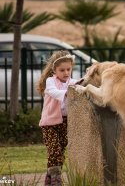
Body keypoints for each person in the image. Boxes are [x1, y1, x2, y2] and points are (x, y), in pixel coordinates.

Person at [37, 50, 77, 186]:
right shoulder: (50, 81)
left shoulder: (73, 82)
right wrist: (69, 92)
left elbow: (82, 87)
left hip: (66, 123)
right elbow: (54, 92)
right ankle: (56, 180)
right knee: (54, 150)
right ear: (54, 70)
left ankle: (49, 178)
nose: (66, 73)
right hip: (49, 123)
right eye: (62, 70)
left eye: (68, 69)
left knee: (61, 150)